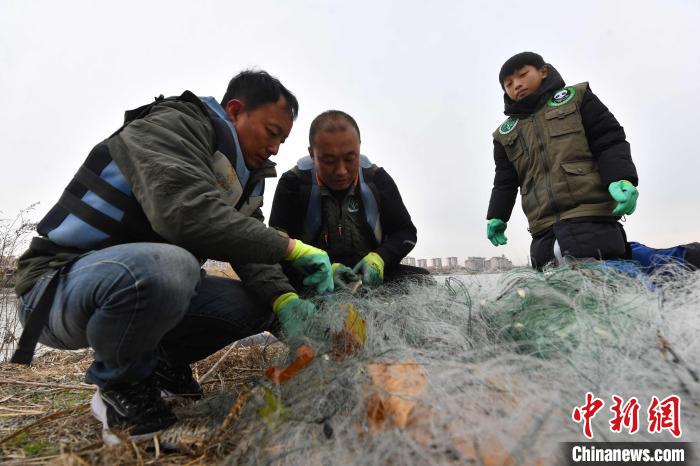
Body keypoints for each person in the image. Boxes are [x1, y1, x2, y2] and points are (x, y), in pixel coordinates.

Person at [11, 70, 334, 444]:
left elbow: (248, 246)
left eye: (283, 139)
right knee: (172, 266)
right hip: (56, 288)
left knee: (259, 301)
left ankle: (163, 366)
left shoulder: (246, 174)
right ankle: (121, 392)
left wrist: (284, 299)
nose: (276, 148)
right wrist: (292, 247)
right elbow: (184, 214)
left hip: (127, 285)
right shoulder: (174, 126)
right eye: (272, 132)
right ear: (235, 110)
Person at [485, 52, 640, 269]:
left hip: (591, 218)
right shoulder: (504, 133)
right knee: (553, 291)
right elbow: (504, 181)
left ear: (543, 71)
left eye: (522, 75)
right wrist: (497, 215)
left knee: (605, 280)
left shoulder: (578, 98)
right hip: (542, 231)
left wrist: (621, 178)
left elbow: (609, 141)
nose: (516, 85)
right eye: (508, 84)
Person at [269, 110, 427, 292]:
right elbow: (276, 245)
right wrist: (321, 270)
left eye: (350, 158)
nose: (341, 171)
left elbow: (406, 233)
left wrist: (380, 258)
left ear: (359, 149)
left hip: (368, 281)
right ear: (312, 155)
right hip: (313, 280)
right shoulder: (293, 184)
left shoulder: (377, 180)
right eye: (329, 160)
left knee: (423, 281)